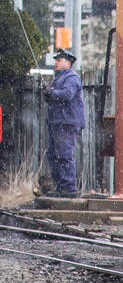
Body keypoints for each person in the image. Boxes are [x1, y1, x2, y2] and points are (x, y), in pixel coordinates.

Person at [44, 48, 86, 197]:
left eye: (59, 60)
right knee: (53, 154)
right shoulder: (60, 78)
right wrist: (49, 93)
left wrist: (52, 92)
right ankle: (61, 187)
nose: (55, 62)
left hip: (66, 123)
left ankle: (68, 188)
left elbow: (67, 95)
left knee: (64, 154)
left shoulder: (71, 77)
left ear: (68, 63)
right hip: (58, 122)